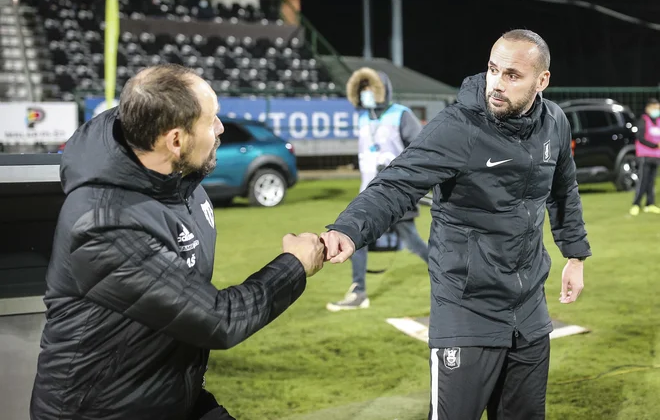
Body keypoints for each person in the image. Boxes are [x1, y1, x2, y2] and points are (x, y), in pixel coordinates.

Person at [321, 30, 591, 420]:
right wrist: (348, 227)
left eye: (513, 75)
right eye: (493, 70)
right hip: (466, 306)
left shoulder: (554, 123)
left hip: (529, 306)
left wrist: (576, 255)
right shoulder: (458, 127)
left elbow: (564, 190)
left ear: (542, 81)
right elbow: (397, 183)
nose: (497, 84)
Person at [30, 64, 326, 420]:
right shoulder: (102, 224)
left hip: (168, 396)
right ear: (175, 140)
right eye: (211, 119)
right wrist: (295, 265)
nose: (220, 129)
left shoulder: (179, 181)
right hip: (103, 412)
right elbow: (219, 319)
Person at [326, 67, 429, 312]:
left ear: (382, 90)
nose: (366, 94)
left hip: (396, 193)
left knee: (413, 243)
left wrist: (396, 165)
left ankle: (450, 273)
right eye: (362, 90)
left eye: (370, 89)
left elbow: (422, 150)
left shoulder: (401, 115)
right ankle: (358, 291)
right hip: (368, 194)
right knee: (355, 237)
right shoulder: (363, 117)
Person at [629, 98, 660, 216]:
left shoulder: (658, 121)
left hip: (656, 156)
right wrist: (654, 145)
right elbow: (640, 137)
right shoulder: (643, 120)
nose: (656, 110)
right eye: (654, 108)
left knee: (651, 182)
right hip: (645, 155)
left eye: (658, 108)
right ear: (648, 108)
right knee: (643, 181)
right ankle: (636, 204)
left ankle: (650, 204)